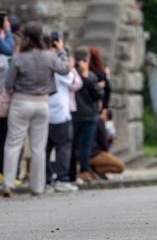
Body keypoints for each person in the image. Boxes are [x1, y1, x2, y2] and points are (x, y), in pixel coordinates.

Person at [3, 22, 70, 196]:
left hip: (20, 102)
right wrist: (61, 50)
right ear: (41, 37)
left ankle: (9, 183)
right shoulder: (49, 56)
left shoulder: (19, 58)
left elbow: (9, 83)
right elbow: (65, 69)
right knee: (38, 147)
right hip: (42, 103)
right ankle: (37, 186)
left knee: (13, 144)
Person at [47, 35, 80, 192]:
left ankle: (45, 179)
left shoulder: (40, 59)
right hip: (59, 112)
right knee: (63, 147)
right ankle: (62, 178)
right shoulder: (58, 63)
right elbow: (70, 78)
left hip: (42, 111)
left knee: (43, 148)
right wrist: (62, 53)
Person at [71, 49, 103, 182]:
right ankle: (83, 170)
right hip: (88, 115)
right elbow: (98, 95)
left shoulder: (71, 75)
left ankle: (71, 173)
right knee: (85, 145)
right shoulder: (90, 76)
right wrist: (88, 78)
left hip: (74, 114)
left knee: (72, 144)